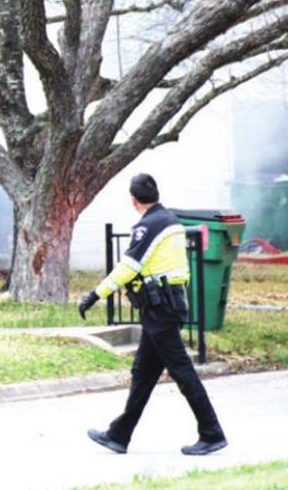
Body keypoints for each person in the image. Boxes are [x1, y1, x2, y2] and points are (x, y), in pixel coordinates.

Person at [79, 173, 227, 456]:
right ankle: (119, 435)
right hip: (167, 306)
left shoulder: (147, 227)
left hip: (161, 311)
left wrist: (95, 295)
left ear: (133, 201)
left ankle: (212, 433)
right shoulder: (171, 221)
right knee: (143, 373)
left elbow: (128, 268)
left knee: (182, 371)